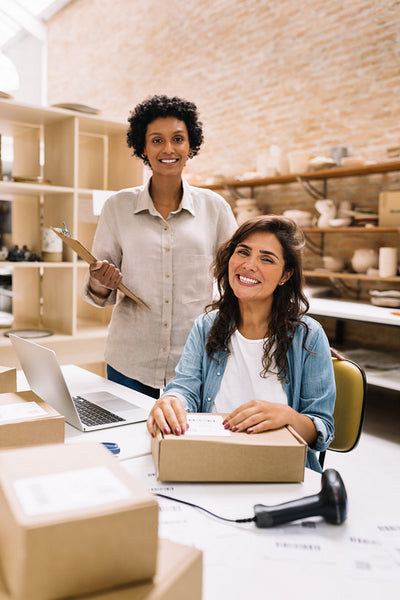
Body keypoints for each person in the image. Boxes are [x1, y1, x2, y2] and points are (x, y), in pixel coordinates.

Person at [147, 215, 336, 472]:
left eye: (266, 259)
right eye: (243, 252)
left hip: (279, 468)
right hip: (209, 458)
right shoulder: (207, 326)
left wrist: (289, 417)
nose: (249, 265)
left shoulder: (309, 335)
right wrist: (173, 401)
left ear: (285, 275)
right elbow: (186, 388)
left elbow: (322, 428)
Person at [82, 95, 237, 399]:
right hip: (129, 360)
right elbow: (99, 294)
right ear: (143, 148)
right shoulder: (117, 207)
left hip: (196, 359)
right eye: (156, 140)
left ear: (190, 145)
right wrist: (100, 282)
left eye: (178, 139)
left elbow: (240, 278)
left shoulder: (215, 208)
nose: (168, 149)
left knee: (189, 445)